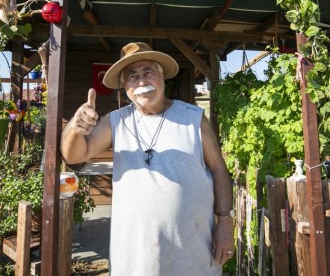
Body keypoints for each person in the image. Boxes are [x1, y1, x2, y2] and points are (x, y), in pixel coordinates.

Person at [61, 42, 234, 276]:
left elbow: (218, 169)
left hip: (193, 249)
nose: (140, 81)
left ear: (162, 77)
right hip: (137, 256)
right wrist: (75, 128)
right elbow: (74, 154)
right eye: (131, 76)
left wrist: (225, 220)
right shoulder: (116, 121)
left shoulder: (193, 118)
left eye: (147, 72)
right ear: (124, 86)